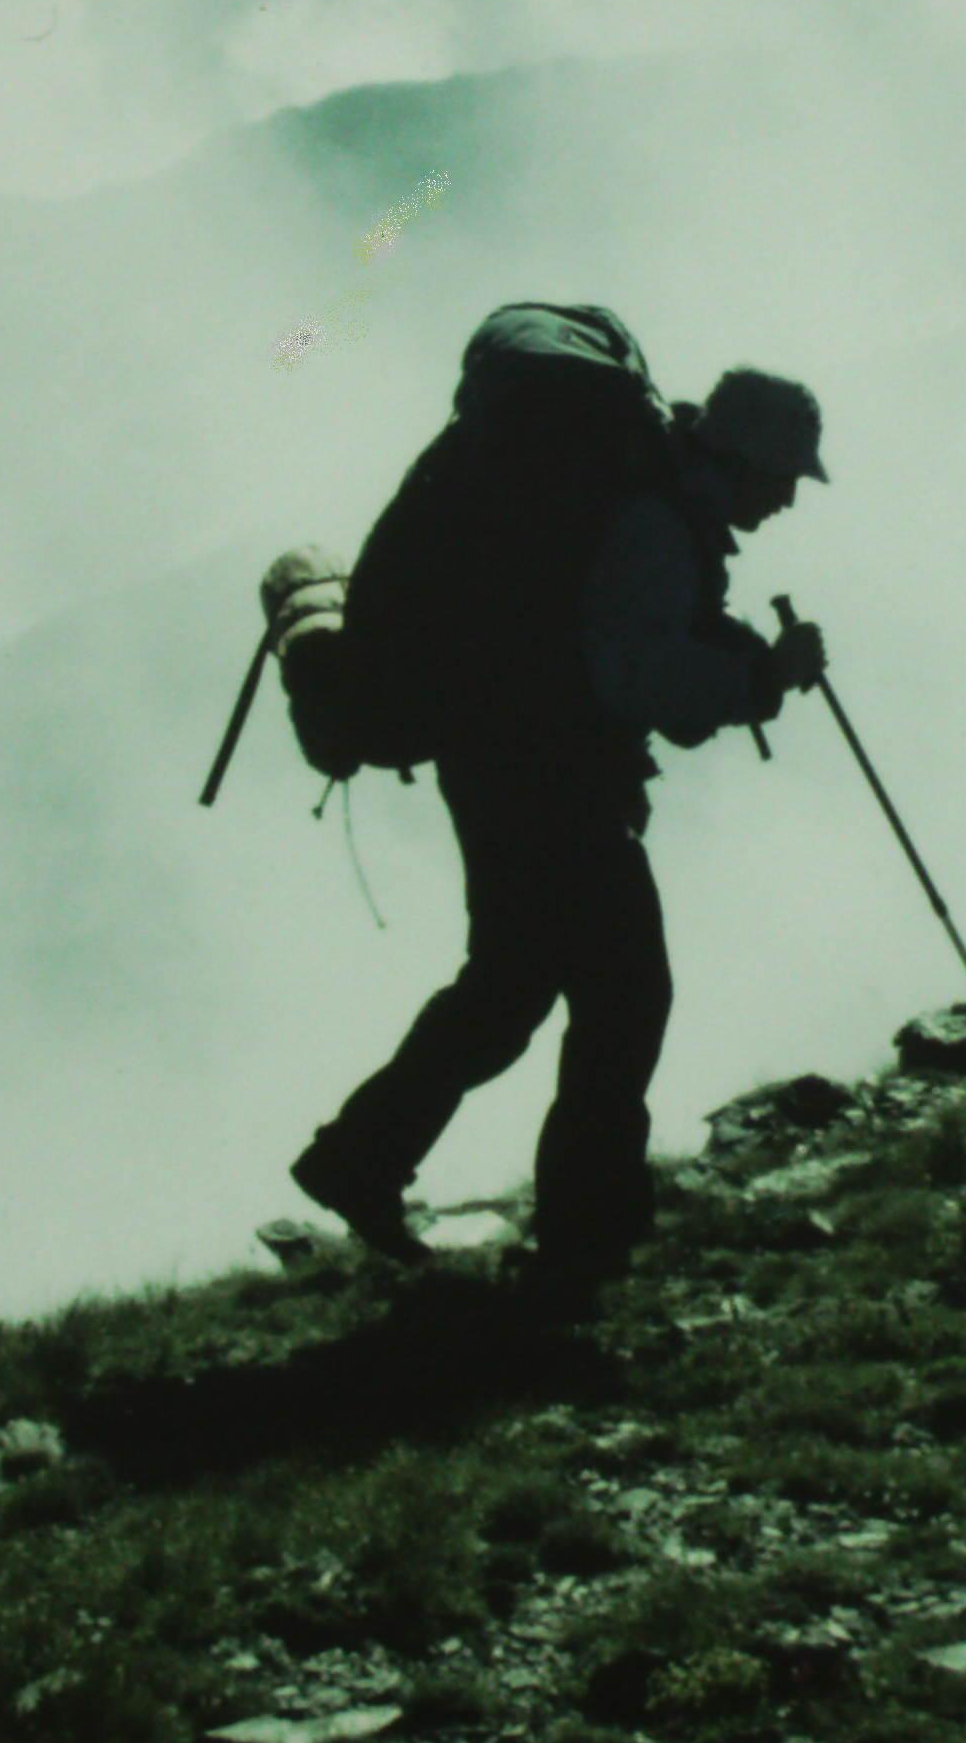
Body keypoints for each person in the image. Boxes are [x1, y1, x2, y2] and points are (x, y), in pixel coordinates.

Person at [288, 364, 831, 1315]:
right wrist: (761, 682)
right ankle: (586, 1239)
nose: (787, 499)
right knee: (626, 992)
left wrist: (746, 665)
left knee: (510, 987)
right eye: (783, 478)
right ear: (742, 460)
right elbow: (638, 674)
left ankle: (361, 1160)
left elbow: (638, 635)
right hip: (546, 777)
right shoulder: (657, 523)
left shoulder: (654, 499)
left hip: (502, 759)